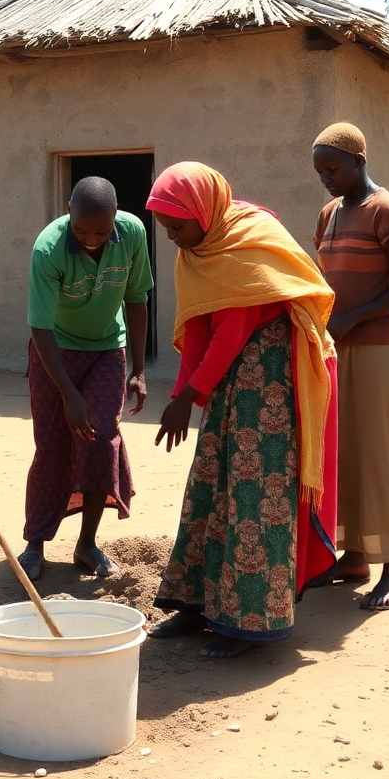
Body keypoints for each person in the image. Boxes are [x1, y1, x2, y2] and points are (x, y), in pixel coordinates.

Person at [146, 161, 339, 658]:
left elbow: (235, 327)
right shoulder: (197, 251)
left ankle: (248, 619)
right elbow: (199, 331)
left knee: (258, 492)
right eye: (165, 227)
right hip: (229, 378)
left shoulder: (246, 241)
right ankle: (196, 604)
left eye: (177, 225)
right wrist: (179, 399)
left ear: (202, 211)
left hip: (271, 376)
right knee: (211, 482)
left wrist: (190, 395)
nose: (171, 237)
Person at [310, 122, 389, 611]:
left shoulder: (385, 209)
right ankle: (353, 554)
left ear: (359, 160)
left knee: (378, 452)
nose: (326, 178)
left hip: (376, 344)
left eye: (332, 168)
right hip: (338, 346)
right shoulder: (330, 213)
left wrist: (354, 317)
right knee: (344, 449)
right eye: (320, 171)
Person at [18, 176, 153, 582]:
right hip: (54, 352)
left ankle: (87, 544)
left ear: (115, 218)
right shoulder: (48, 249)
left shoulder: (132, 233)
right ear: (68, 212)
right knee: (53, 446)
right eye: (81, 230)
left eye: (101, 230)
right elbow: (40, 328)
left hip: (108, 350)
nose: (92, 239)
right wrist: (69, 395)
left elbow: (137, 297)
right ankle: (35, 544)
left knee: (100, 440)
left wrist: (140, 370)